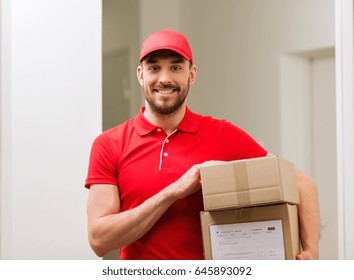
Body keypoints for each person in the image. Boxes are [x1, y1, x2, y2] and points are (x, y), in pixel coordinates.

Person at [85, 30, 319, 260]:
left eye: (176, 67)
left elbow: (301, 183)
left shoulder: (222, 134)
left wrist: (311, 252)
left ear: (192, 74)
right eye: (154, 68)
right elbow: (99, 241)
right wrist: (173, 191)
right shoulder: (109, 144)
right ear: (140, 75)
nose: (164, 78)